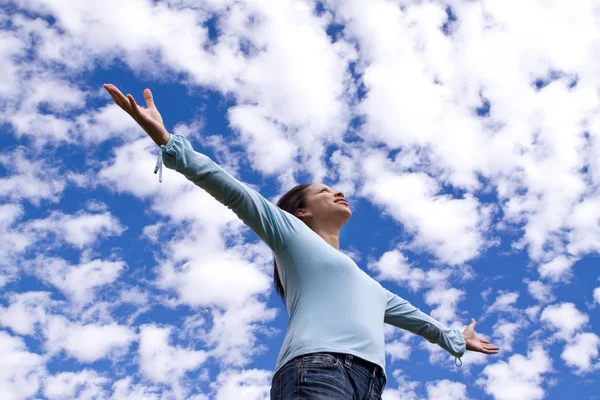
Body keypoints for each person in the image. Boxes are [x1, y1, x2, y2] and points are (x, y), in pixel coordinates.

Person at [104, 84, 500, 400]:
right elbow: (236, 192)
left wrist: (454, 339)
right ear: (302, 211)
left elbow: (418, 320)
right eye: (324, 191)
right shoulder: (291, 235)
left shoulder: (371, 287)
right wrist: (169, 142)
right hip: (317, 370)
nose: (337, 192)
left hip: (370, 385)